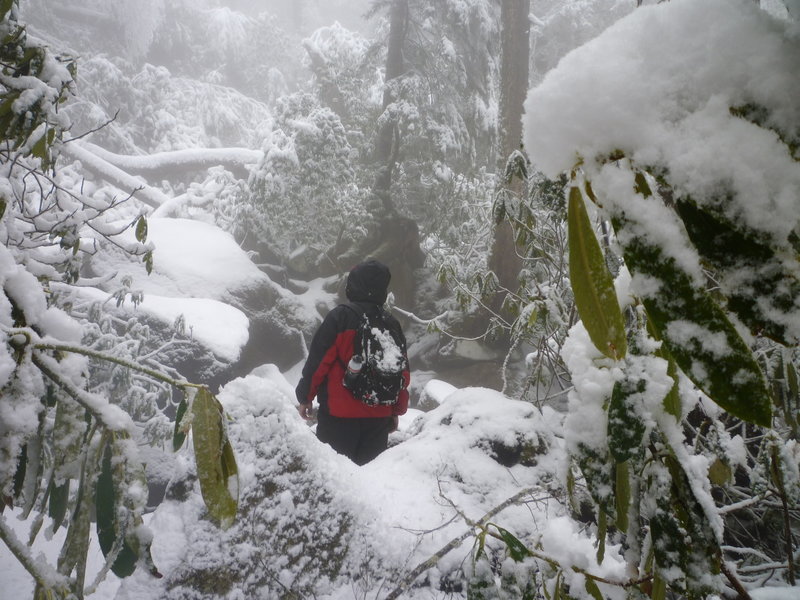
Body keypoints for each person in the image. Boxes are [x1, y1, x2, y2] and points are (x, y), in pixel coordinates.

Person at [295, 259, 410, 465]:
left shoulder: (340, 318)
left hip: (338, 418)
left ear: (353, 285)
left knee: (335, 480)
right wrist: (395, 411)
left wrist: (305, 397)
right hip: (378, 418)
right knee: (368, 482)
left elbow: (318, 363)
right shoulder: (391, 324)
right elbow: (402, 373)